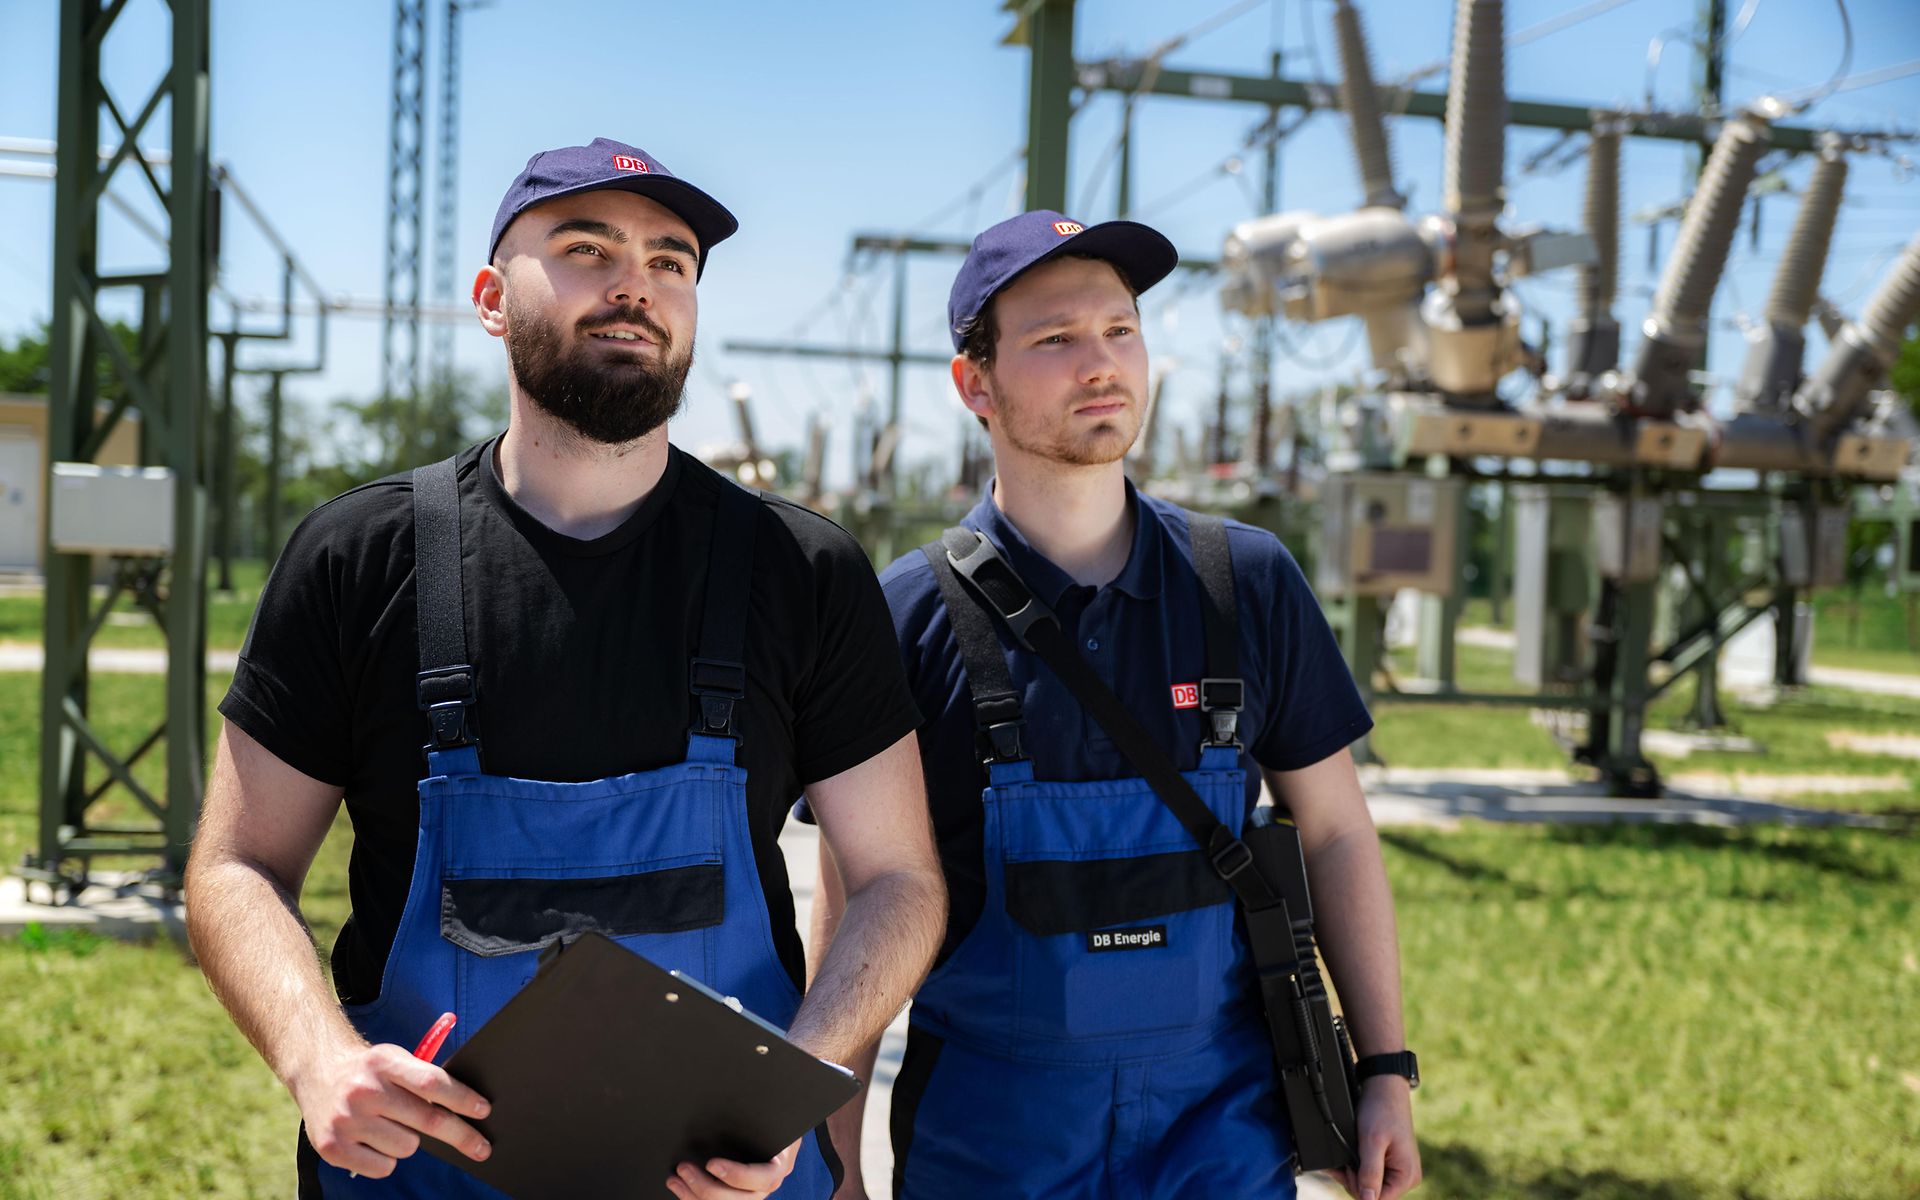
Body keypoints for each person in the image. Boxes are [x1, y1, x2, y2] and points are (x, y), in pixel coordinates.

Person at [185, 138, 946, 1200]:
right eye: (588, 249)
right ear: (493, 299)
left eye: (671, 261)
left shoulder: (801, 570)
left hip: (731, 1180)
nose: (636, 281)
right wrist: (319, 1061)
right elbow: (234, 867)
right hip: (419, 1177)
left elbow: (899, 879)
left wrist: (796, 1091)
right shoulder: (359, 560)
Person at [810, 211, 1422, 1200]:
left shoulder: (1246, 584)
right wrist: (830, 1161)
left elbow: (1340, 835)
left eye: (1120, 330)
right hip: (991, 1144)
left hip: (1219, 1135)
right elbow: (853, 904)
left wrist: (1386, 1073)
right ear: (976, 385)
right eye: (1055, 340)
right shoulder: (907, 617)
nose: (1101, 363)